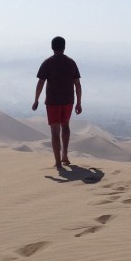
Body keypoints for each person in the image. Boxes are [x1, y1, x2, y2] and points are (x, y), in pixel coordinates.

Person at [32, 36, 82, 172]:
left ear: (52, 47)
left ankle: (58, 162)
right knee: (65, 126)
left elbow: (41, 82)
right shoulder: (71, 62)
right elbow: (77, 84)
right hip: (68, 100)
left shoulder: (48, 62)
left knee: (55, 131)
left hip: (53, 102)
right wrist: (79, 102)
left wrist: (36, 99)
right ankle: (65, 154)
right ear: (64, 47)